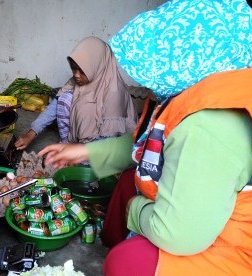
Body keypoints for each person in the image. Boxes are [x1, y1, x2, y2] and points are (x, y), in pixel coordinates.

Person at [39, 0, 252, 275]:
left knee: (126, 262)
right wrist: (85, 152)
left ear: (181, 60)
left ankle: (123, 248)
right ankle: (118, 239)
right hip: (204, 215)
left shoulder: (207, 125)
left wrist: (136, 210)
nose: (146, 80)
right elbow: (147, 144)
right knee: (129, 181)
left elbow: (180, 235)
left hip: (231, 246)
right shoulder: (196, 91)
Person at [14, 36, 137, 150]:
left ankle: (76, 154)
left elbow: (110, 140)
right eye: (73, 68)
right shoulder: (79, 80)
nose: (76, 75)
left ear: (96, 66)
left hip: (108, 149)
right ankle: (67, 145)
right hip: (83, 145)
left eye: (82, 70)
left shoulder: (114, 91)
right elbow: (56, 105)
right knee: (64, 98)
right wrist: (31, 133)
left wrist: (77, 153)